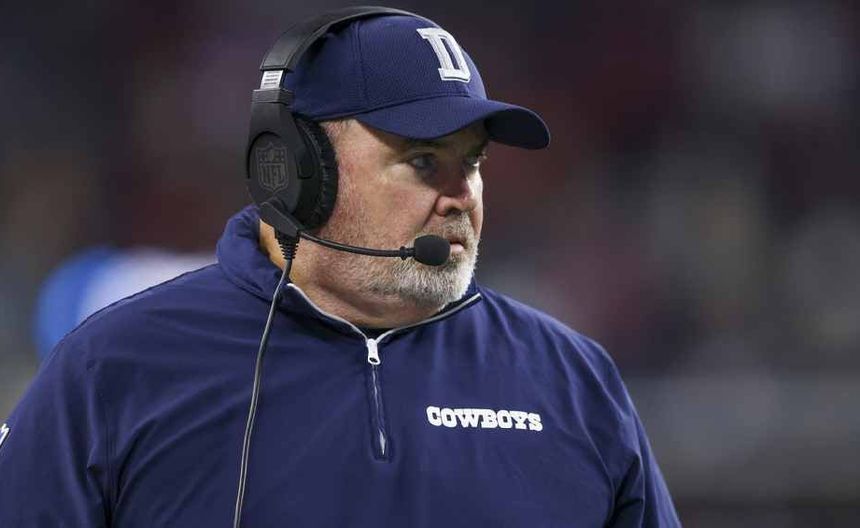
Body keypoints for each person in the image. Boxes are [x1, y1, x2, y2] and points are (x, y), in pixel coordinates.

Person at [0, 8, 681, 527]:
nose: (463, 197)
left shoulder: (572, 381)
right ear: (295, 174)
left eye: (472, 162)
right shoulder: (115, 368)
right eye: (423, 161)